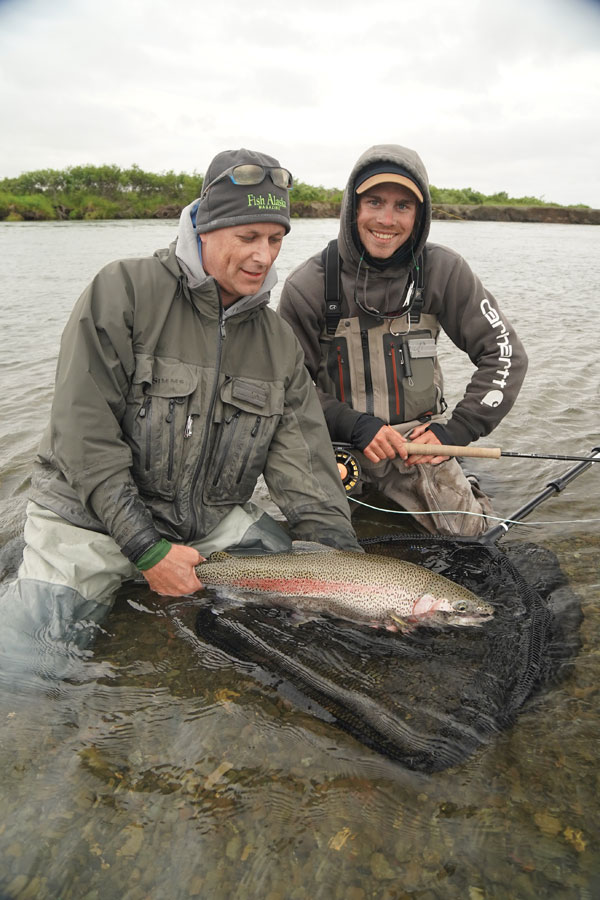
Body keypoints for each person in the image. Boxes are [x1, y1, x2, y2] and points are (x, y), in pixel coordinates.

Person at [1, 148, 360, 659]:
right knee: (26, 669)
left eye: (276, 239)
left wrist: (349, 575)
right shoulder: (122, 289)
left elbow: (307, 470)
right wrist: (148, 551)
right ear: (204, 229)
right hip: (89, 523)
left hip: (208, 529)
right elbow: (82, 435)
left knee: (320, 598)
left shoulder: (278, 342)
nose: (265, 256)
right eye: (248, 238)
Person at [278, 143, 528, 537]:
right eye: (374, 202)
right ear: (352, 208)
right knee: (324, 550)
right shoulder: (306, 285)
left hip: (420, 444)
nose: (386, 219)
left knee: (470, 538)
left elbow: (505, 355)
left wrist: (455, 432)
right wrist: (353, 425)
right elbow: (286, 387)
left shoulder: (445, 271)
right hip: (338, 443)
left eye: (402, 206)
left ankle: (467, 486)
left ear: (420, 214)